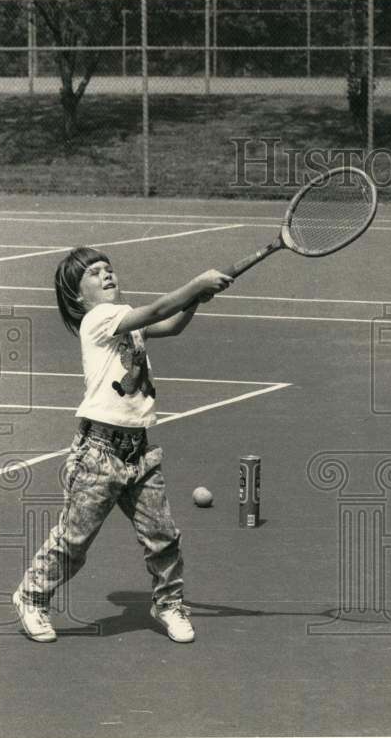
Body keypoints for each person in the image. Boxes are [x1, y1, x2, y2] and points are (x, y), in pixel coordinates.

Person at [12, 246, 231, 644]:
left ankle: (168, 604)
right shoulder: (98, 319)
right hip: (99, 454)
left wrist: (196, 300)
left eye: (108, 268)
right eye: (94, 273)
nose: (106, 274)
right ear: (78, 295)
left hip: (140, 451)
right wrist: (196, 282)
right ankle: (32, 597)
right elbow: (158, 309)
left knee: (163, 537)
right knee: (74, 541)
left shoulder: (125, 322)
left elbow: (171, 325)